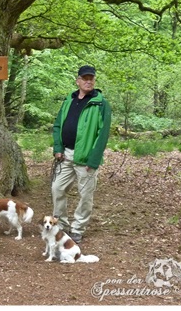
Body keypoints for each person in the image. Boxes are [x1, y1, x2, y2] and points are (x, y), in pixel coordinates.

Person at [51, 65, 111, 244]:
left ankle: (77, 228)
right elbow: (57, 126)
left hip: (86, 158)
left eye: (91, 78)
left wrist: (93, 160)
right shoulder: (69, 100)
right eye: (84, 78)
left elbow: (103, 134)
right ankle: (61, 224)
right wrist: (58, 148)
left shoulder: (101, 104)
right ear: (77, 81)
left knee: (85, 195)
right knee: (57, 189)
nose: (88, 81)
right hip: (66, 155)